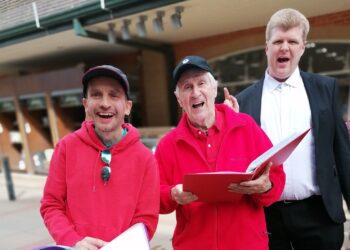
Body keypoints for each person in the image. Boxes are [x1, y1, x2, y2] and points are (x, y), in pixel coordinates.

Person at [234, 8, 350, 250]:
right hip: (266, 217)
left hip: (319, 215)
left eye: (292, 41)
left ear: (302, 47)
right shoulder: (243, 101)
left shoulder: (324, 89)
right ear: (267, 47)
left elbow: (343, 153)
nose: (284, 47)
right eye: (278, 41)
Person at [155, 55, 286, 250]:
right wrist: (173, 195)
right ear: (179, 99)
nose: (195, 92)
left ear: (214, 89)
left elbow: (276, 177)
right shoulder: (168, 145)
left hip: (248, 245)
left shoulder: (246, 127)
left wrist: (266, 186)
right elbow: (154, 195)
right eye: (187, 87)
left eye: (201, 83)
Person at [40, 65, 159, 249]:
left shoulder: (145, 159)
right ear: (86, 104)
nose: (105, 103)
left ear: (127, 107)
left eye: (114, 95)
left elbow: (146, 219)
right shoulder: (66, 148)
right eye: (96, 94)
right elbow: (51, 205)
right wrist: (73, 240)